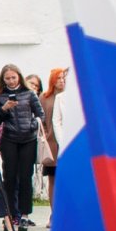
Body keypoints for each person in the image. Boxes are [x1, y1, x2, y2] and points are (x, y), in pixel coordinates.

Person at [0, 63, 44, 231]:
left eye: (13, 78)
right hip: (9, 139)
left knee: (25, 177)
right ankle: (10, 214)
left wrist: (32, 124)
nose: (10, 81)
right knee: (10, 177)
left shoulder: (29, 94)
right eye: (7, 78)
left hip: (28, 139)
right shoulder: (0, 95)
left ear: (19, 77)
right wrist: (4, 109)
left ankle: (24, 214)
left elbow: (40, 114)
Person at [42, 67, 67, 221]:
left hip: (64, 140)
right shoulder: (45, 97)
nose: (61, 81)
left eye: (63, 78)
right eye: (58, 78)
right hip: (51, 142)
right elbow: (42, 119)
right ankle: (54, 213)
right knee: (53, 178)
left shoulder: (69, 97)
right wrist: (45, 134)